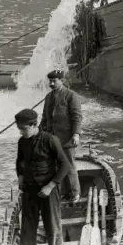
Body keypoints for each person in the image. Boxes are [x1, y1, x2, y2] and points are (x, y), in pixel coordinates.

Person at [15, 108, 71, 245]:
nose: (21, 132)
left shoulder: (50, 140)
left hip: (49, 190)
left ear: (35, 125)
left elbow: (65, 165)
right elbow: (19, 161)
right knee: (27, 229)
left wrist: (51, 186)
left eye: (24, 129)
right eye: (19, 129)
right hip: (29, 190)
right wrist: (20, 177)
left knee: (52, 227)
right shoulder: (22, 142)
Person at [39, 70, 82, 204]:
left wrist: (76, 134)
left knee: (69, 166)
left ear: (61, 80)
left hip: (67, 138)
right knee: (56, 167)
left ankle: (75, 193)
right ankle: (62, 193)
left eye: (54, 81)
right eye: (50, 81)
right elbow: (45, 118)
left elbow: (77, 117)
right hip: (52, 139)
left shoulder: (71, 96)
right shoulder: (48, 97)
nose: (51, 83)